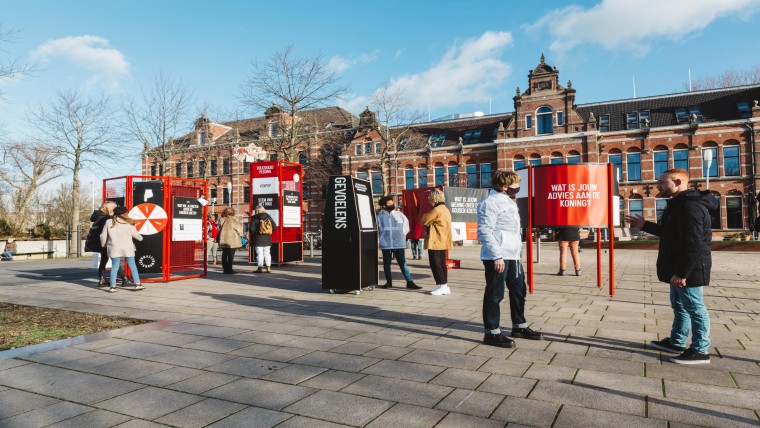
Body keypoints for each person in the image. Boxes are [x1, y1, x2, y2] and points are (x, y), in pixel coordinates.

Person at [626, 168, 717, 364]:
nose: (658, 186)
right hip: (679, 265)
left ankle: (701, 350)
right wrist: (645, 225)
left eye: (662, 182)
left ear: (677, 182)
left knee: (694, 307)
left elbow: (693, 244)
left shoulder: (689, 207)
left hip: (688, 268)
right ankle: (677, 341)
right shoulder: (679, 204)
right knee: (679, 305)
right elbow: (671, 233)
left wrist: (682, 273)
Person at [478, 169, 543, 348]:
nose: (518, 187)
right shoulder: (489, 203)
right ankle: (491, 333)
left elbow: (513, 230)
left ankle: (519, 326)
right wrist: (496, 255)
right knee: (495, 294)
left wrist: (518, 250)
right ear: (505, 185)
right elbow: (485, 231)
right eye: (515, 184)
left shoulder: (508, 201)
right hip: (497, 256)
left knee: (519, 291)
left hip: (512, 256)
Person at [377, 195, 420, 290]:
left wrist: (402, 235)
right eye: (389, 203)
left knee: (402, 263)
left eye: (392, 202)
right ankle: (389, 282)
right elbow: (378, 229)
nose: (392, 204)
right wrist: (380, 240)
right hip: (386, 243)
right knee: (386, 264)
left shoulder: (399, 214)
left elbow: (406, 225)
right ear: (384, 205)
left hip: (398, 243)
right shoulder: (379, 216)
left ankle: (410, 282)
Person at [85, 201, 132, 287]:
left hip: (100, 242)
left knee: (104, 260)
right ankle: (124, 279)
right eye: (114, 208)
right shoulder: (106, 218)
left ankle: (102, 280)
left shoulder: (99, 216)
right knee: (115, 260)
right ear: (110, 209)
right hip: (106, 242)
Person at [100, 206, 144, 293]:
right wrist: (141, 238)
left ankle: (112, 287)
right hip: (127, 247)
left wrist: (104, 244)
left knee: (115, 266)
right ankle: (137, 284)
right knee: (132, 265)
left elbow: (103, 235)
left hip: (114, 247)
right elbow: (135, 234)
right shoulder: (128, 222)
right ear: (125, 213)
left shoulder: (109, 222)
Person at [420, 189, 453, 296]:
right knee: (442, 263)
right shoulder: (445, 209)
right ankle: (443, 285)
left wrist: (425, 216)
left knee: (435, 263)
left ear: (433, 198)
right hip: (443, 239)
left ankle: (442, 285)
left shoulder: (436, 210)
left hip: (436, 240)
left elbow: (424, 221)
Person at [251, 205, 277, 273]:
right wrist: (268, 232)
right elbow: (274, 226)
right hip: (267, 238)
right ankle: (268, 268)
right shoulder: (268, 217)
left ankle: (260, 268)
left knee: (259, 254)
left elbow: (251, 229)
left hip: (258, 238)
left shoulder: (254, 218)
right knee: (267, 253)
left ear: (256, 211)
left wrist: (254, 234)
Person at [219, 207, 243, 274]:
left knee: (224, 254)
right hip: (232, 239)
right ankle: (229, 269)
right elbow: (238, 228)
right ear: (232, 212)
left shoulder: (221, 218)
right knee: (231, 255)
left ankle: (225, 269)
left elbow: (219, 227)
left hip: (224, 238)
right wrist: (241, 234)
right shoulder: (233, 219)